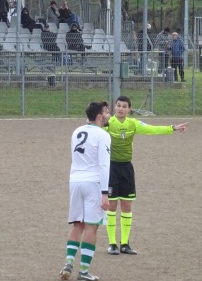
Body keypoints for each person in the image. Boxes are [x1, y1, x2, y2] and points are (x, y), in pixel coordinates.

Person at [103, 95, 187, 255]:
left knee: (127, 206)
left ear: (129, 109)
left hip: (127, 168)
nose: (121, 109)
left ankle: (125, 244)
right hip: (111, 169)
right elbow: (93, 129)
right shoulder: (108, 124)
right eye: (118, 105)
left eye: (124, 106)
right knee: (112, 206)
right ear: (114, 107)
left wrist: (172, 128)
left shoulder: (133, 124)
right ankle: (112, 243)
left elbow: (151, 129)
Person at [59, 101, 111, 281]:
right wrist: (105, 193)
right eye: (106, 112)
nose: (109, 114)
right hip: (93, 183)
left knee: (77, 225)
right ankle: (83, 272)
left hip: (75, 181)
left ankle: (68, 263)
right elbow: (104, 165)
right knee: (91, 226)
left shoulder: (77, 131)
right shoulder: (103, 135)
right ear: (99, 116)